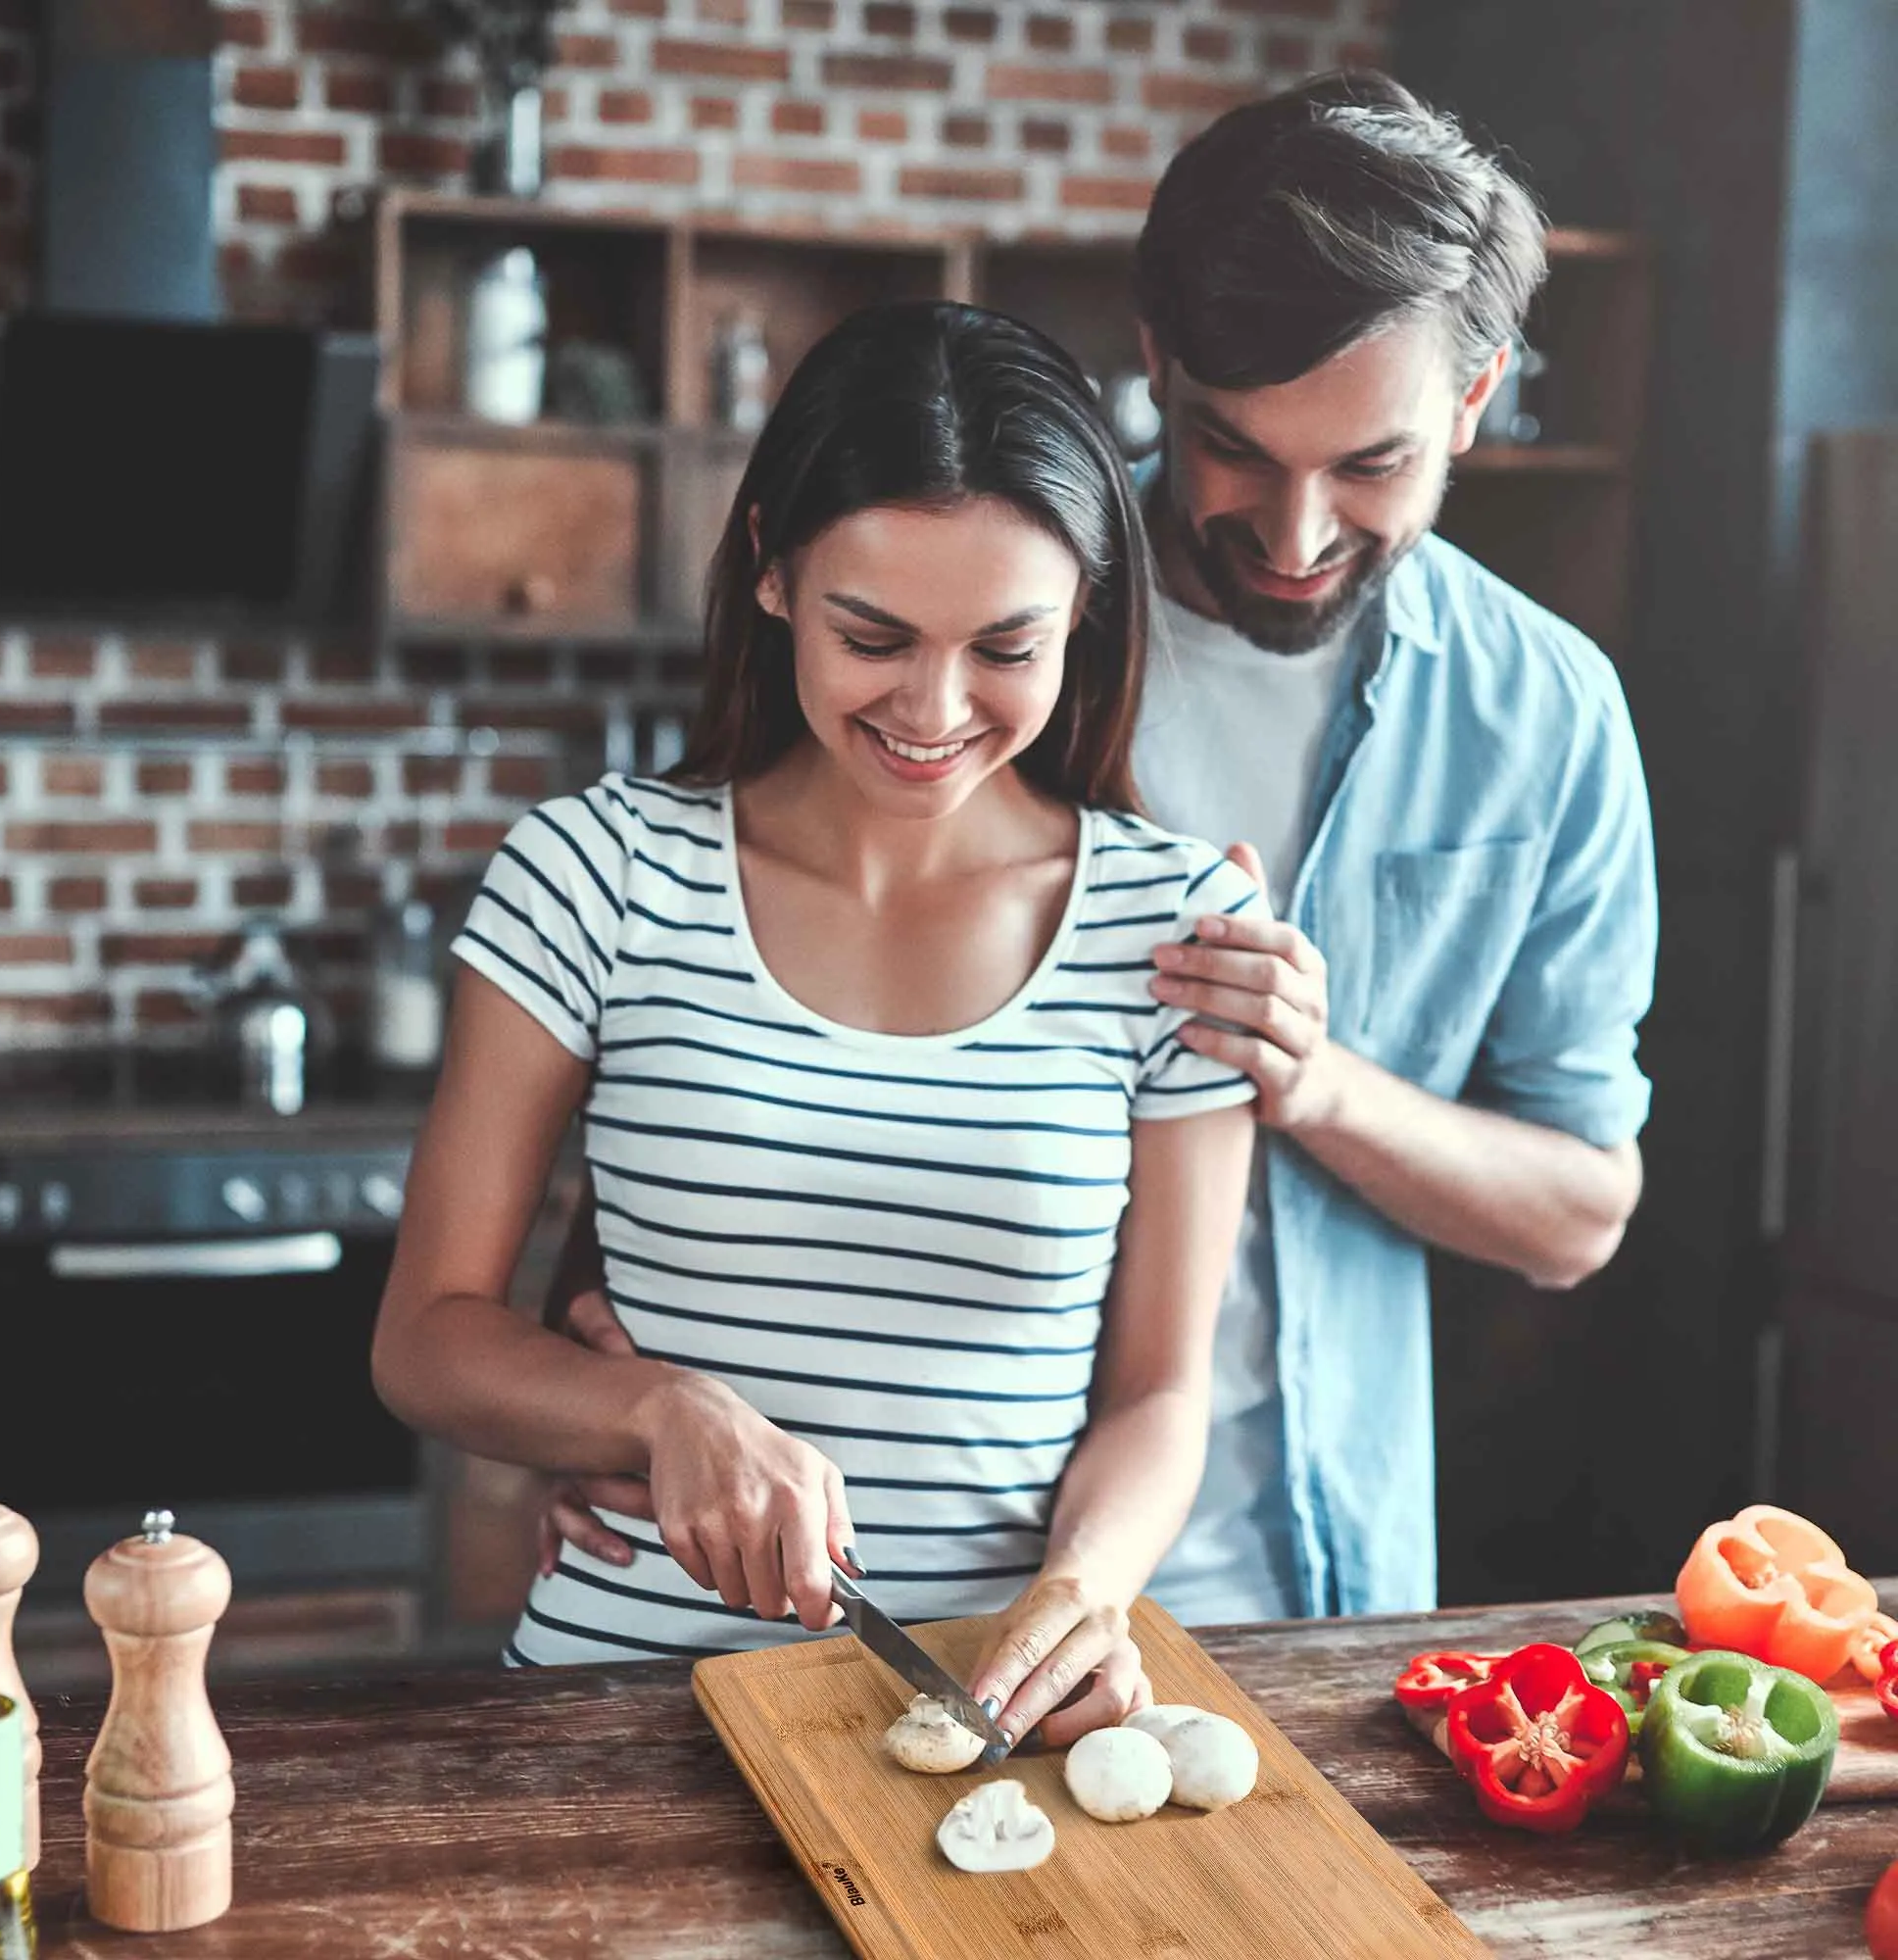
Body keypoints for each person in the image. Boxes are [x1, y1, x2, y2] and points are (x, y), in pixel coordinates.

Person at [537, 70, 1659, 1628]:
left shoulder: (1545, 713)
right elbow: (715, 983)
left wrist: (1310, 1079)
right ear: (1155, 362)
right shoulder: (974, 605)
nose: (1294, 532)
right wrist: (603, 1388)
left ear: (1472, 402)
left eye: (1372, 468)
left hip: (1305, 1566)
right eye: (1235, 451)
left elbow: (1581, 1209)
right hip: (886, 1580)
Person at [371, 299, 1261, 1748]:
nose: (935, 707)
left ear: (1086, 610)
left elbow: (1161, 1393)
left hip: (985, 1717)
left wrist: (1086, 1595)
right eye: (876, 634)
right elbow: (425, 1338)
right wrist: (657, 1413)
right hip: (621, 1708)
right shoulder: (594, 875)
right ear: (775, 572)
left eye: (1005, 647)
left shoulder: (1174, 930)